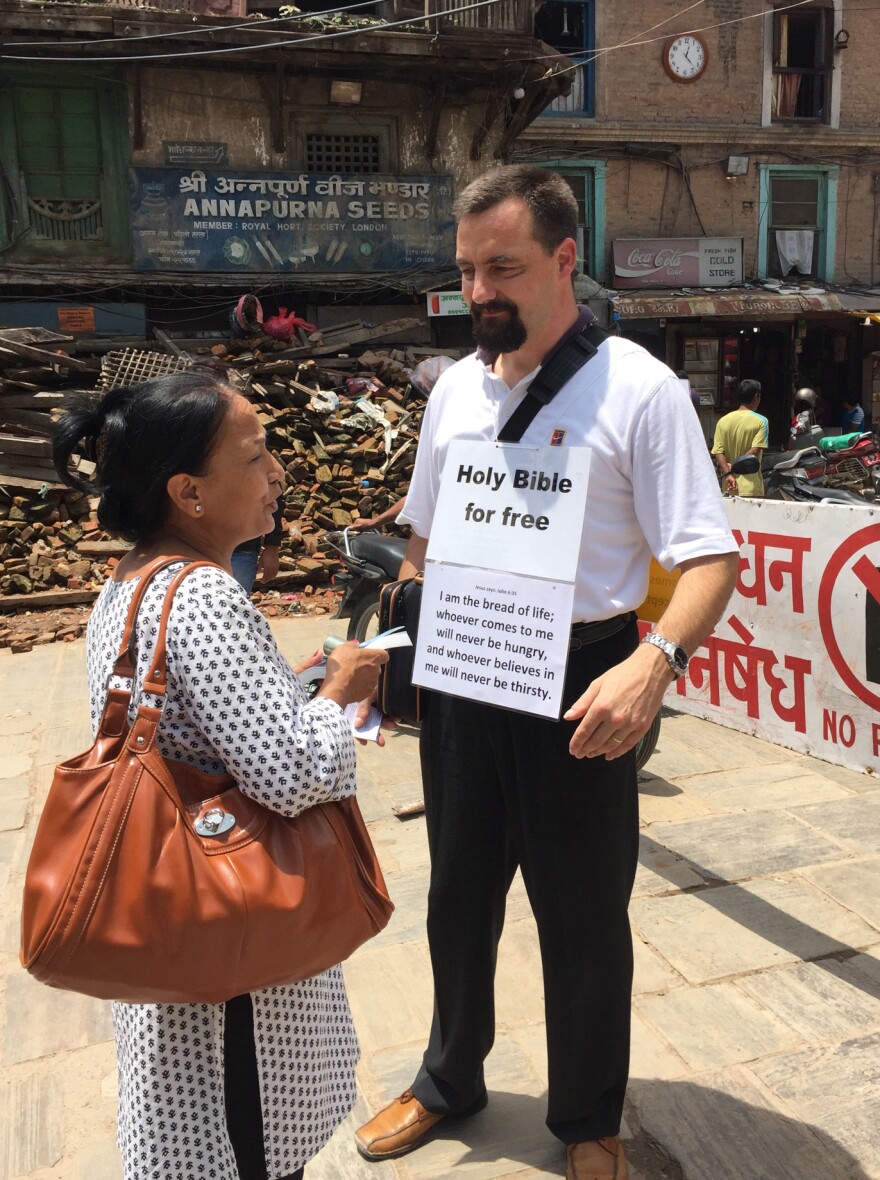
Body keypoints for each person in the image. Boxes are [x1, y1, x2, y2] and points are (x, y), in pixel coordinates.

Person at [353, 166, 739, 1180]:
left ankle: (587, 1118)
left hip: (586, 679)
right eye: (468, 268)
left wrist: (655, 662)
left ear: (565, 261)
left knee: (580, 910)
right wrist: (405, 657)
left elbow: (709, 559)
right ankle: (448, 1077)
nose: (481, 290)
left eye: (504, 268)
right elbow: (424, 543)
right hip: (470, 670)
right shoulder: (451, 395)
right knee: (458, 893)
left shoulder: (639, 390)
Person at [53, 369, 388, 1180]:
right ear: (188, 492)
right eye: (256, 455)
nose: (277, 472)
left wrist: (289, 688)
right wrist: (341, 688)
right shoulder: (206, 596)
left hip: (177, 935)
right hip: (233, 977)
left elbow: (199, 732)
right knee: (249, 1153)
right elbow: (291, 770)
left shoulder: (133, 581)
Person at [711, 379, 769, 497]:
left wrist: (728, 474)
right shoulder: (761, 421)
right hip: (751, 488)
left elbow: (718, 452)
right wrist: (736, 466)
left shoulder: (723, 421)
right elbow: (755, 452)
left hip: (728, 486)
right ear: (756, 396)